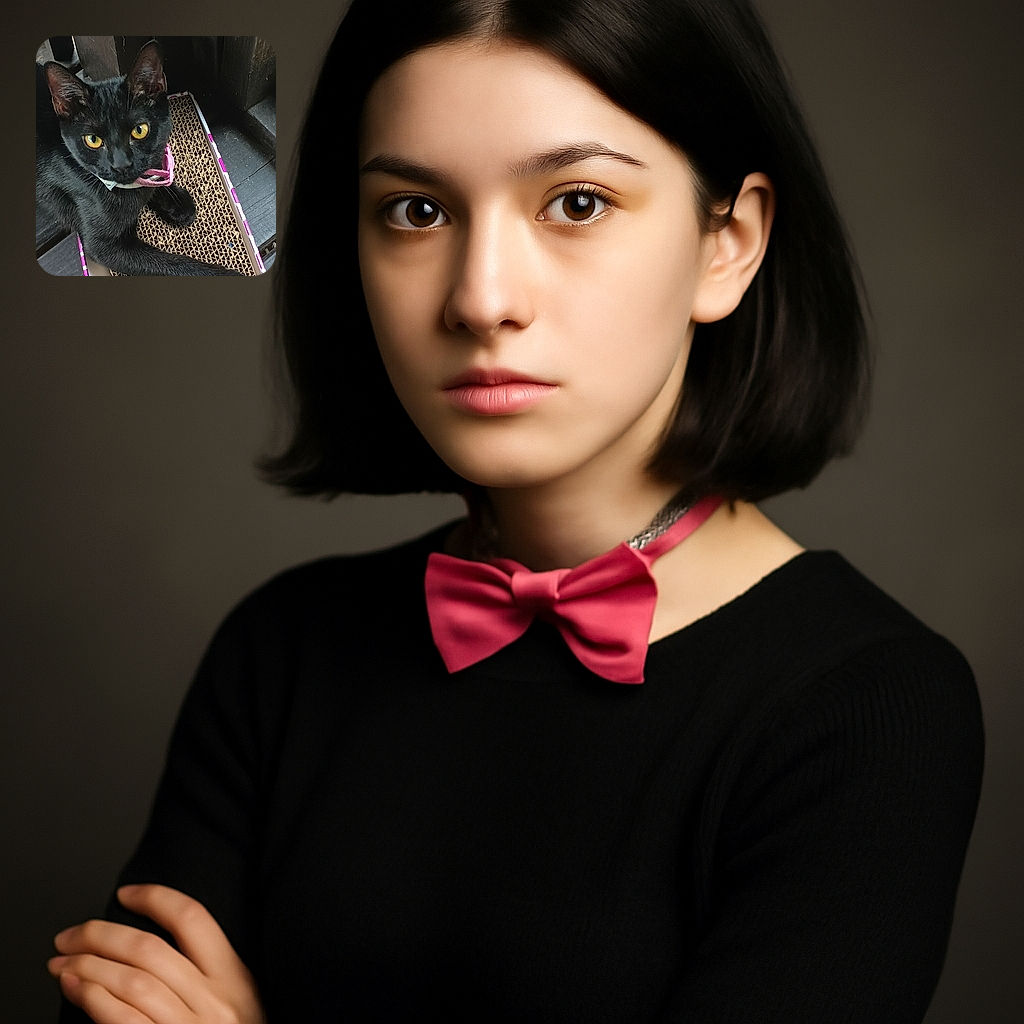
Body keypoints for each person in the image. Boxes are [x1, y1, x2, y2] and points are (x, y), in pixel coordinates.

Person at [50, 1, 984, 1021]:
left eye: (576, 203)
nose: (480, 297)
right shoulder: (281, 652)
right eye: (414, 211)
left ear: (730, 242)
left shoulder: (868, 705)